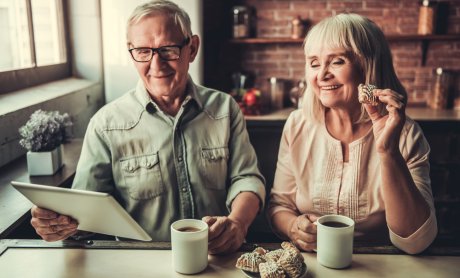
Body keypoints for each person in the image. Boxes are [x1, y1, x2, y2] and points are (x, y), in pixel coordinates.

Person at [30, 0, 265, 254]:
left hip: (215, 259)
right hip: (139, 264)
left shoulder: (224, 109)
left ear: (192, 48)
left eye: (168, 49)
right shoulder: (105, 125)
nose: (156, 64)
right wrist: (60, 224)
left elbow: (247, 178)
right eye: (143, 51)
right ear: (131, 52)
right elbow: (85, 215)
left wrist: (238, 223)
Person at [268, 13, 437, 255]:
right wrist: (294, 227)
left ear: (368, 67)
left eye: (337, 61)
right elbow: (280, 206)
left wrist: (388, 151)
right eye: (314, 63)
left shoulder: (406, 133)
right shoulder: (298, 125)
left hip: (381, 262)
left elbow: (415, 241)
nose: (322, 74)